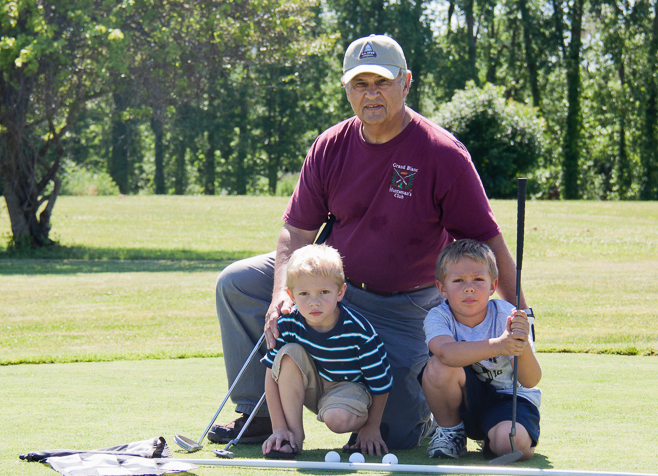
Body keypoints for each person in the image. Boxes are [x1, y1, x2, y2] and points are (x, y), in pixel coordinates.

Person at [209, 34, 530, 453]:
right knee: (237, 282)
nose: (371, 93)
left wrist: (520, 311)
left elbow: (487, 241)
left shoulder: (442, 153)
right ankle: (262, 414)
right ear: (346, 89)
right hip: (334, 283)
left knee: (393, 435)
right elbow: (296, 232)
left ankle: (423, 417)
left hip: (406, 306)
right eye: (360, 84)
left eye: (382, 81)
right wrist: (279, 296)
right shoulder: (330, 146)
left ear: (406, 82)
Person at [260, 244, 392, 458]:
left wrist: (372, 427)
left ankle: (359, 423)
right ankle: (292, 437)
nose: (314, 302)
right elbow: (271, 376)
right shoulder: (288, 323)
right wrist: (278, 428)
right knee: (288, 353)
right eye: (304, 293)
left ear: (340, 292)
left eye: (324, 292)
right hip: (313, 386)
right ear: (291, 295)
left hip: (350, 388)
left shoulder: (358, 330)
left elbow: (381, 382)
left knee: (337, 418)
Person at [420, 239, 541, 459]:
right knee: (438, 365)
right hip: (467, 401)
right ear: (441, 288)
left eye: (478, 279)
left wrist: (519, 345)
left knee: (511, 445)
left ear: (493, 285)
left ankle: (495, 439)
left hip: (510, 401)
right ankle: (451, 432)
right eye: (458, 280)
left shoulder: (509, 316)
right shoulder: (438, 317)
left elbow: (531, 380)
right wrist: (500, 345)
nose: (469, 287)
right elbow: (446, 352)